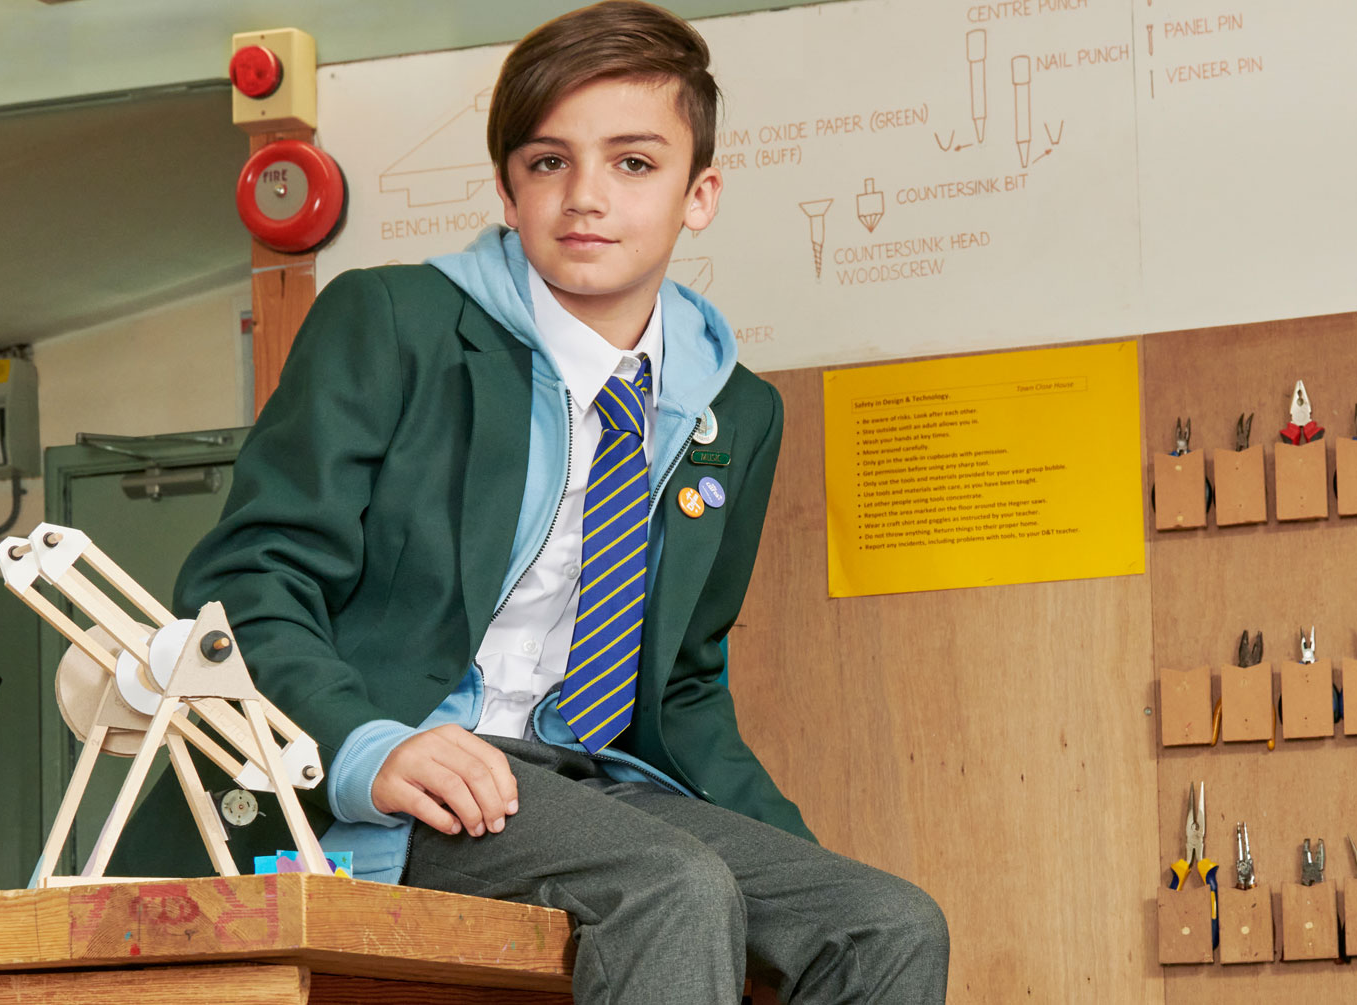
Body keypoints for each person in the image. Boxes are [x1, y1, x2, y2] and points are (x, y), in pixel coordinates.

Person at [114, 2, 947, 1000]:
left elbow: (681, 686)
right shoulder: (394, 323)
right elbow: (245, 585)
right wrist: (369, 746)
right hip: (402, 773)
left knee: (884, 922)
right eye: (549, 162)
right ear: (509, 190)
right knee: (671, 887)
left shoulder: (735, 409)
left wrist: (795, 869)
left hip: (587, 784)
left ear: (700, 193)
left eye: (634, 163)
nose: (586, 197)